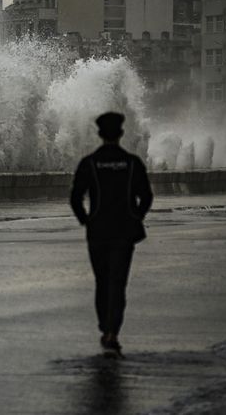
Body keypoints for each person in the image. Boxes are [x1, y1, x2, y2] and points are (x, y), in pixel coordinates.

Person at [70, 112, 153, 356]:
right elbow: (146, 196)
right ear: (121, 134)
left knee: (102, 281)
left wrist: (85, 220)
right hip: (124, 232)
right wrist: (136, 216)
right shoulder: (132, 163)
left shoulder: (90, 163)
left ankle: (104, 325)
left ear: (99, 134)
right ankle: (113, 331)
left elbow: (76, 197)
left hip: (98, 231)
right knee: (118, 282)